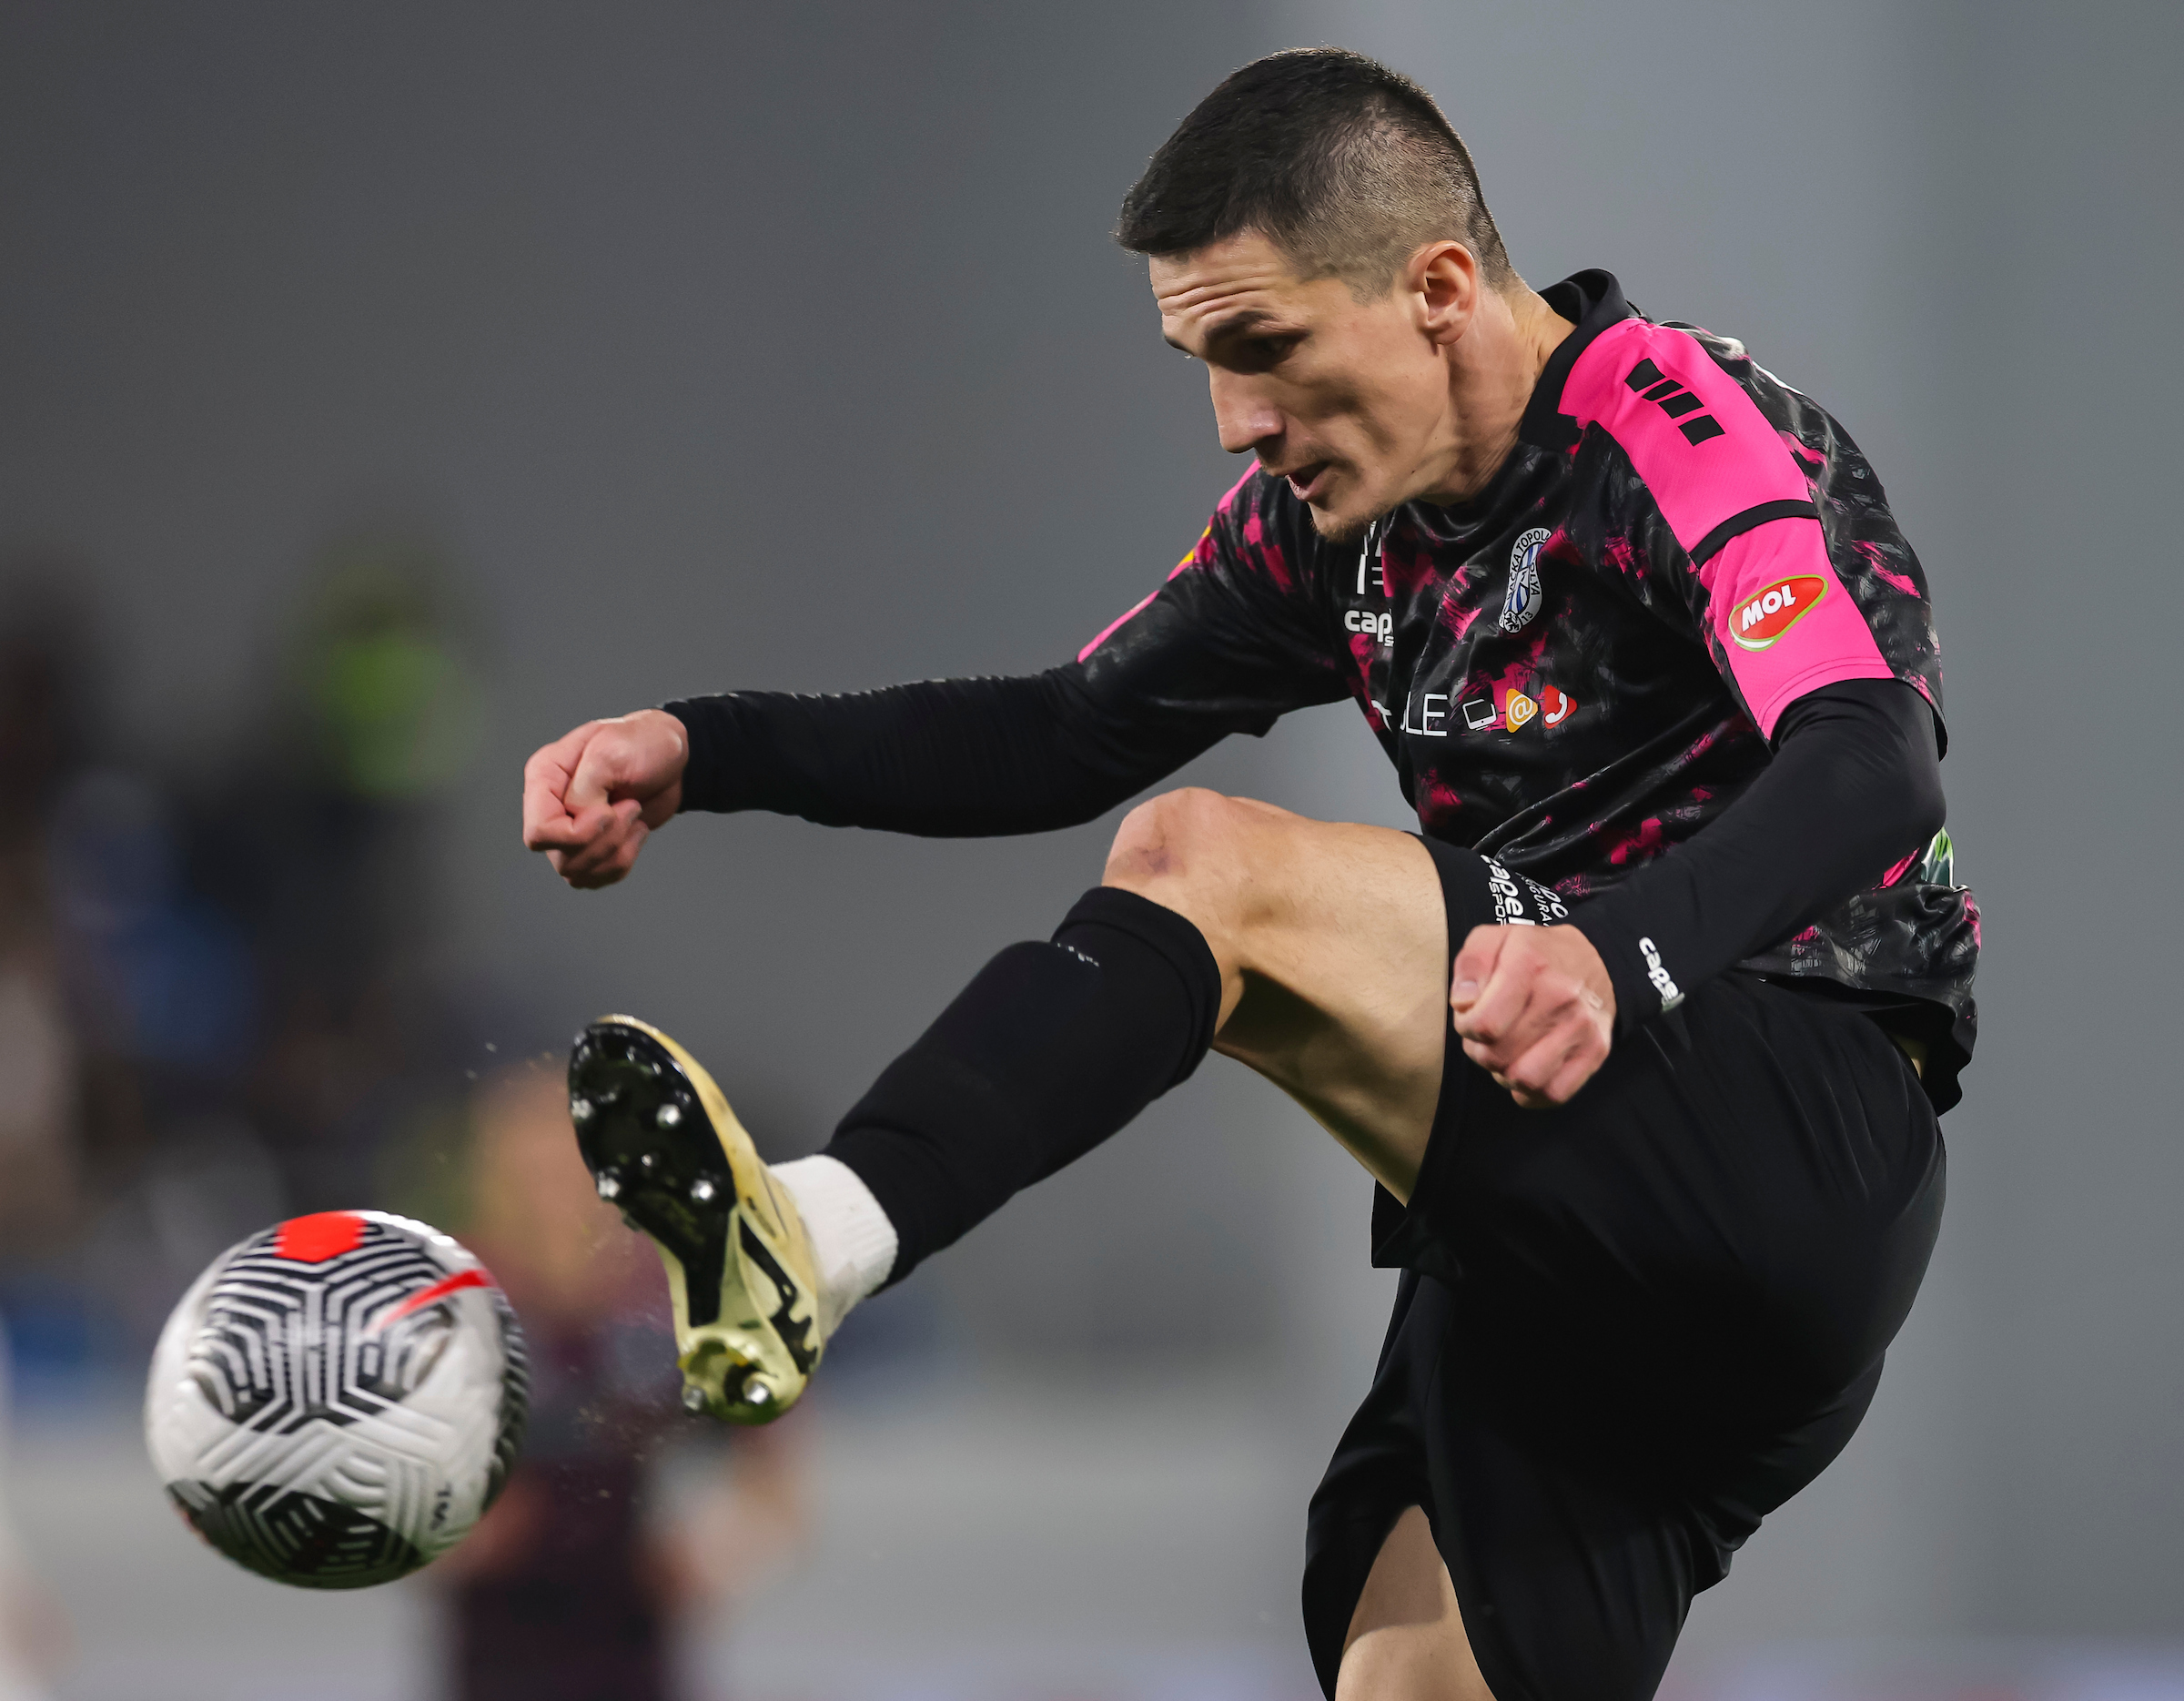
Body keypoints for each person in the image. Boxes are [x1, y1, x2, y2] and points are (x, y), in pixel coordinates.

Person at [521, 48, 1976, 1701]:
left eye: (1264, 348)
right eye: (1202, 364)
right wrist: (711, 748)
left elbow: (1870, 754)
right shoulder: (1331, 529)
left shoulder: (1674, 424)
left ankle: (822, 1233)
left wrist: (1621, 956)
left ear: (1436, 287)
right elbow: (1067, 732)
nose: (1240, 424)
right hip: (1547, 1239)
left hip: (1788, 1116)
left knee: (1203, 861)